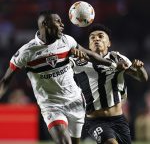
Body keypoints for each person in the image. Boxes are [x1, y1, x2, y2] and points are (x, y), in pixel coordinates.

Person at [0, 11, 118, 144]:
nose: (62, 25)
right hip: (51, 105)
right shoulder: (26, 52)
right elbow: (6, 80)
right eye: (58, 21)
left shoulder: (67, 41)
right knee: (64, 142)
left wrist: (112, 64)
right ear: (45, 24)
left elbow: (89, 54)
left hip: (75, 101)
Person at [71, 24, 148, 144]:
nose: (96, 39)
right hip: (95, 120)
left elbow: (142, 78)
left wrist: (140, 68)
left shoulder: (117, 58)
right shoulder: (78, 61)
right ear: (89, 44)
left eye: (100, 36)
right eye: (92, 37)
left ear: (109, 43)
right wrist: (69, 54)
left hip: (119, 119)